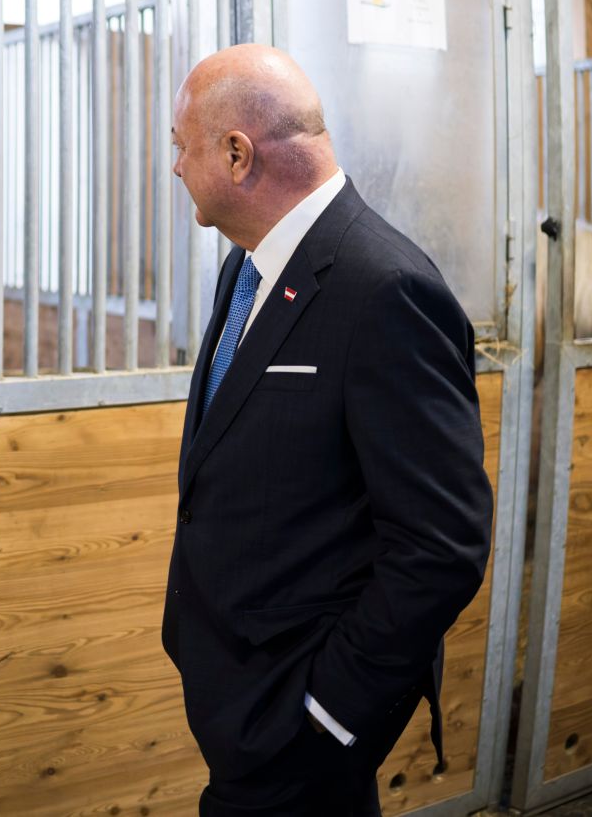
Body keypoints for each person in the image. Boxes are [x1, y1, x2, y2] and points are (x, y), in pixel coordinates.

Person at [162, 44, 493, 816]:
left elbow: (442, 546)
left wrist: (328, 711)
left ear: (238, 154)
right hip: (239, 689)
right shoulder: (245, 268)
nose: (175, 166)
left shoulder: (386, 289)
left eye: (183, 145)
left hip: (301, 712)